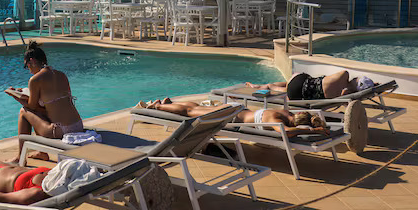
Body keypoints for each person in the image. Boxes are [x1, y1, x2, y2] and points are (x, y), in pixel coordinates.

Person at [5, 41, 84, 163]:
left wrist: (15, 96)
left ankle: (20, 157)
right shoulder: (61, 75)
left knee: (23, 112)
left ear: (32, 61)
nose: (29, 70)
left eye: (27, 66)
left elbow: (31, 107)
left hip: (62, 130)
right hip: (78, 125)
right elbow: (55, 105)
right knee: (38, 114)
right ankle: (42, 153)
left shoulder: (35, 80)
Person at [142, 99, 328, 135]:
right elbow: (286, 132)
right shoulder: (278, 122)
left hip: (236, 108)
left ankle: (166, 103)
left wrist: (312, 125)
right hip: (230, 115)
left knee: (196, 108)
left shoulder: (284, 113)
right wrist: (313, 130)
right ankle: (157, 106)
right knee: (190, 113)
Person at [245, 70, 372, 101]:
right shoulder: (346, 95)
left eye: (357, 79)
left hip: (299, 81)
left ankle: (265, 86)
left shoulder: (344, 75)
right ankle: (268, 86)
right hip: (299, 95)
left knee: (295, 80)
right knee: (286, 87)